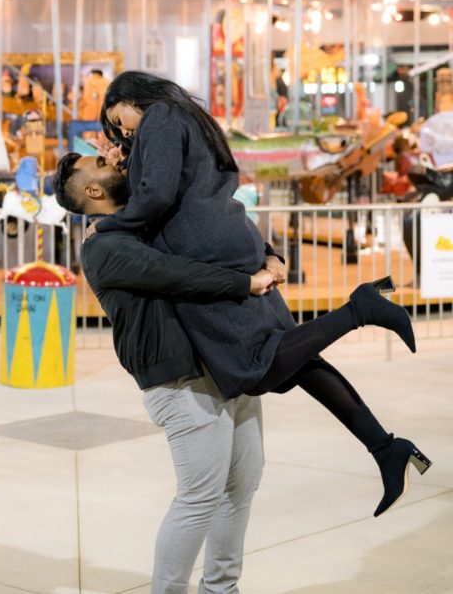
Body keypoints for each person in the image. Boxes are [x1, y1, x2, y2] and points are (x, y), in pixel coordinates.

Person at [90, 72, 431, 517]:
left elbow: (156, 196)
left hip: (209, 256)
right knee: (299, 360)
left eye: (121, 119)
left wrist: (104, 226)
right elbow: (177, 186)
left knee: (255, 367)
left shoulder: (160, 115)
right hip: (232, 242)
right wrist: (126, 159)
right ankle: (386, 447)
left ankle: (359, 309)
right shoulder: (191, 118)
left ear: (134, 98)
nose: (125, 130)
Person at [54, 152, 274, 593]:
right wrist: (246, 283)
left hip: (226, 360)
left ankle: (222, 588)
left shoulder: (149, 221)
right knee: (199, 497)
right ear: (92, 190)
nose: (112, 159)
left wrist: (268, 253)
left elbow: (216, 225)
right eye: (101, 161)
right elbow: (176, 274)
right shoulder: (103, 246)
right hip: (181, 380)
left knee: (241, 484)